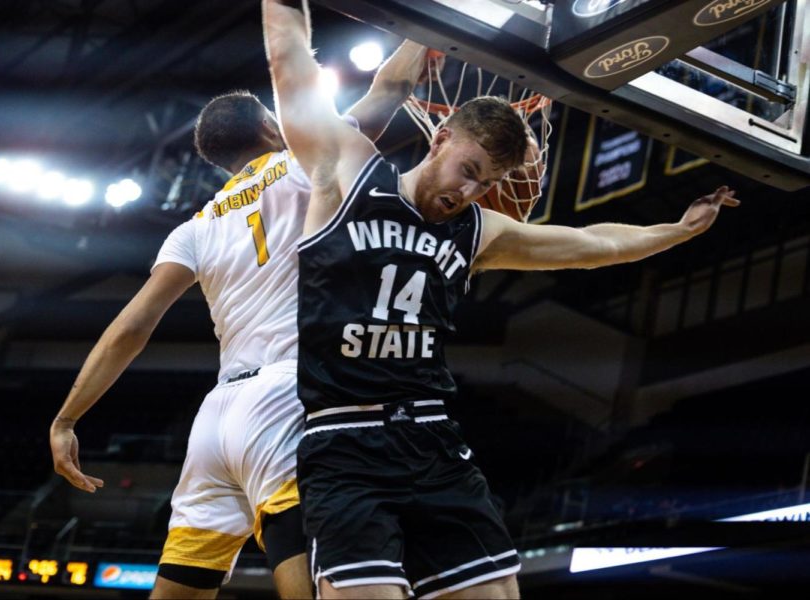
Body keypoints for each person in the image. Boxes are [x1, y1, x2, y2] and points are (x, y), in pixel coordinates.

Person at [262, 1, 740, 598]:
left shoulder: (477, 230)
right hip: (344, 442)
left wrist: (678, 230)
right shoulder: (348, 174)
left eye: (485, 183)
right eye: (469, 169)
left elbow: (591, 244)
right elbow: (288, 64)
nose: (470, 191)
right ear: (440, 139)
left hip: (433, 441)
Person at [49, 39, 431, 599]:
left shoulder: (196, 227)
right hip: (286, 395)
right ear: (274, 131)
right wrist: (426, 33)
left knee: (181, 584)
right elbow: (390, 89)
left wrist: (65, 419)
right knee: (319, 577)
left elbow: (131, 326)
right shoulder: (306, 162)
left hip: (217, 418)